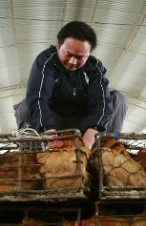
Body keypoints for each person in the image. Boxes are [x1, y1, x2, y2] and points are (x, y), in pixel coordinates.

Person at [13, 21, 127, 150]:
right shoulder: (46, 62)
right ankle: (31, 151)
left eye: (80, 57)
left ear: (89, 54)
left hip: (84, 123)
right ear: (58, 46)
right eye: (68, 54)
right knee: (26, 106)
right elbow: (39, 99)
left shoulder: (95, 68)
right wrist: (48, 130)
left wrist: (93, 130)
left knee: (118, 99)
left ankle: (110, 146)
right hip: (53, 121)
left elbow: (101, 102)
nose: (73, 61)